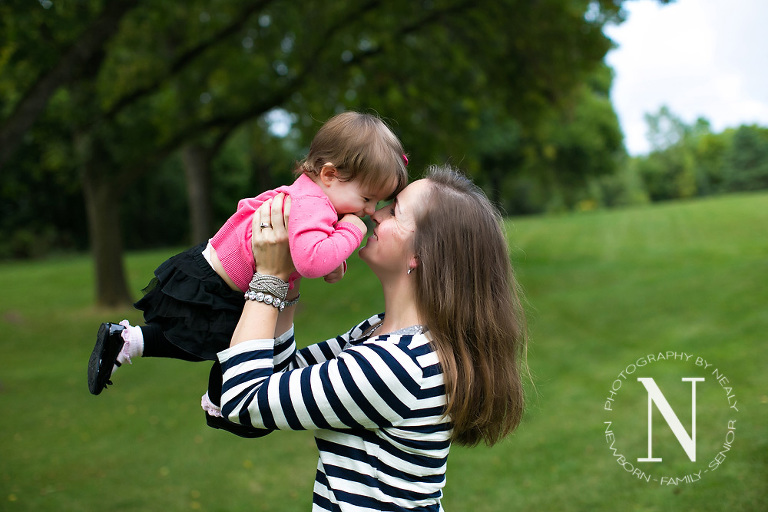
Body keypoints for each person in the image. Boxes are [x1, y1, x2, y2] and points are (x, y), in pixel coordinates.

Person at [208, 165, 528, 510]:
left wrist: (269, 276)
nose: (375, 213)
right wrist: (290, 276)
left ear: (420, 254)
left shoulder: (398, 365)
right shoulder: (378, 333)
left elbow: (243, 400)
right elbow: (280, 376)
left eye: (395, 211)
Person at [88, 111, 409, 396]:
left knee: (218, 342)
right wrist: (351, 231)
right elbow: (310, 262)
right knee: (236, 346)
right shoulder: (314, 205)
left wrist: (332, 257)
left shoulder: (311, 196)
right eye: (367, 199)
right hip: (217, 284)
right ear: (329, 175)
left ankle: (127, 340)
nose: (370, 211)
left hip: (217, 274)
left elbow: (305, 253)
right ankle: (221, 396)